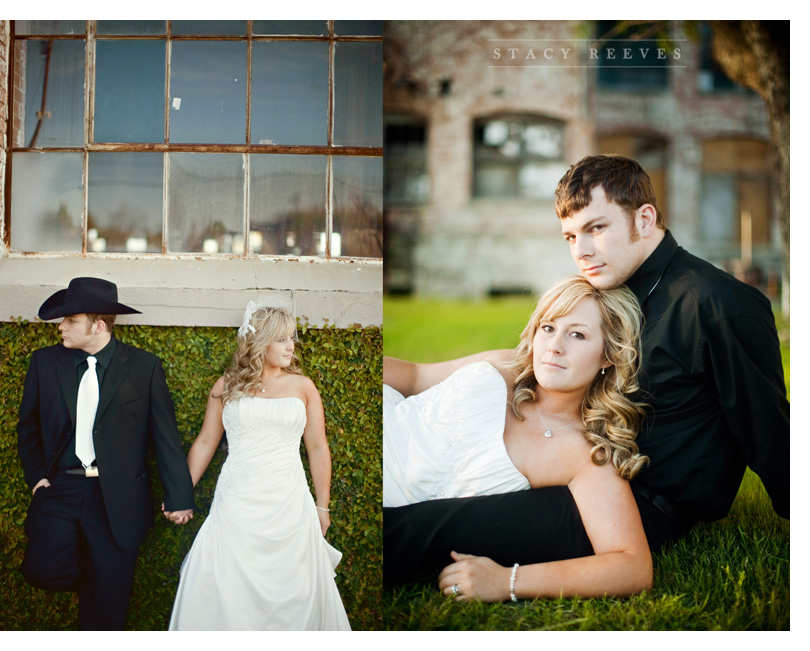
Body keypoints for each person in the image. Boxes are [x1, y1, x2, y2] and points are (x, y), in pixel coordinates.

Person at [383, 154, 789, 592]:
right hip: (561, 458)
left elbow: (768, 428)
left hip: (640, 498)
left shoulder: (717, 303)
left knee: (437, 522)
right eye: (571, 236)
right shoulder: (609, 286)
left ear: (645, 219)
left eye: (597, 228)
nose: (582, 251)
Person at [385, 275, 653, 600]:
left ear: (608, 355)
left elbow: (632, 565)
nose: (554, 346)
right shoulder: (503, 365)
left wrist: (506, 581)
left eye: (577, 335)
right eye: (548, 327)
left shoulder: (583, 454)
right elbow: (416, 377)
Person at [17, 277, 195, 630]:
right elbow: (29, 427)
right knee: (42, 568)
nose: (61, 327)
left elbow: (165, 436)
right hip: (60, 490)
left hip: (118, 497)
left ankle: (102, 584)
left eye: (70, 320)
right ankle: (91, 573)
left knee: (108, 606)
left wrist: (180, 496)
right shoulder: (44, 363)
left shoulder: (144, 368)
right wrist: (37, 479)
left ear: (98, 326)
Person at [168, 297, 351, 630]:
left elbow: (317, 447)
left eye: (291, 337)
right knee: (228, 587)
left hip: (289, 503)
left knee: (293, 589)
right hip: (237, 502)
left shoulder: (303, 386)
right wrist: (180, 492)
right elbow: (207, 442)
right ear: (259, 342)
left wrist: (322, 509)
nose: (290, 345)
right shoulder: (227, 385)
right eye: (281, 339)